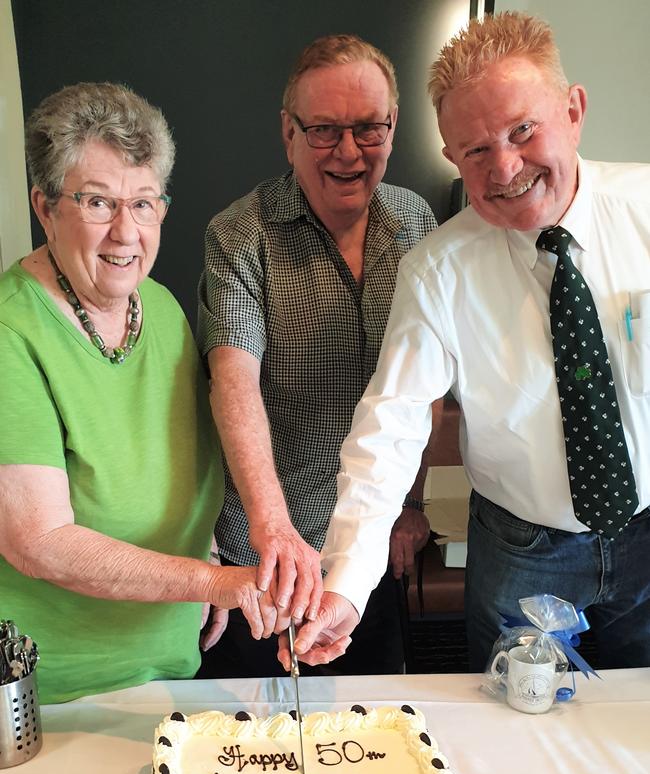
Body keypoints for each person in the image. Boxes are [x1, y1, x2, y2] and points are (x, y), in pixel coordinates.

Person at [292, 12, 650, 672]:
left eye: (523, 131)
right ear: (453, 157)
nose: (506, 166)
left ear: (573, 111)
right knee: (512, 730)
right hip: (521, 549)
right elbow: (390, 427)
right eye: (477, 150)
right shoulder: (438, 269)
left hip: (648, 529)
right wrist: (345, 585)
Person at [0, 82, 277, 704]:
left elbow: (172, 461)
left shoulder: (159, 307)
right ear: (45, 208)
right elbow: (38, 540)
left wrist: (200, 548)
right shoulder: (9, 333)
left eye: (145, 203)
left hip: (169, 665)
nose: (126, 232)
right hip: (57, 692)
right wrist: (211, 581)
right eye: (98, 202)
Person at [197, 34, 440, 677]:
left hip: (372, 549)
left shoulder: (416, 222)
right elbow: (233, 380)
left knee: (373, 747)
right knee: (255, 758)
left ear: (393, 127)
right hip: (267, 554)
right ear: (289, 133)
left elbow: (419, 388)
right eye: (326, 130)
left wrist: (412, 507)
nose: (349, 152)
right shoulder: (240, 235)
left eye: (369, 128)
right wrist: (274, 530)